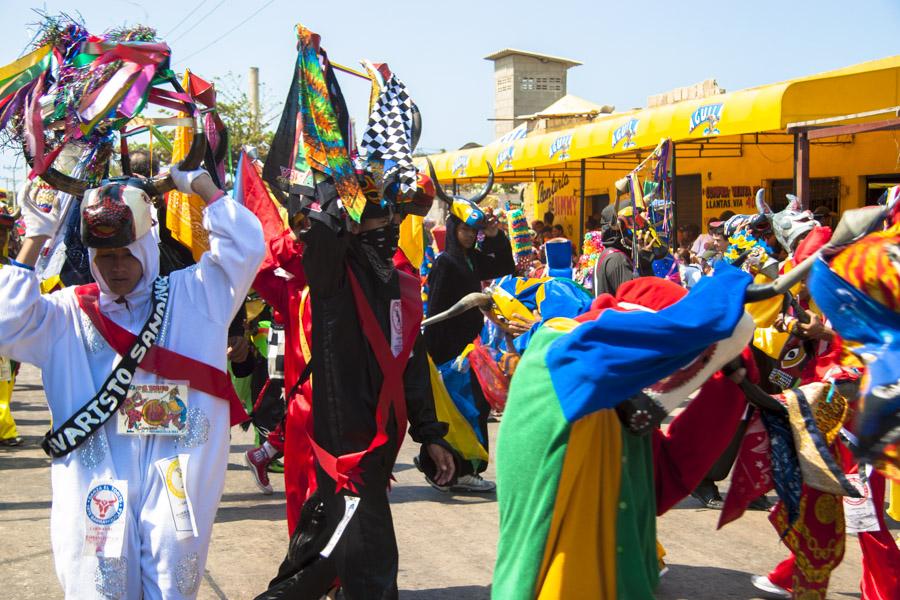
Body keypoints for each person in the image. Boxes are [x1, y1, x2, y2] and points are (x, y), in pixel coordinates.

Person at [0, 166, 264, 598]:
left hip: (176, 471)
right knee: (95, 578)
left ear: (147, 247)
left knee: (172, 571)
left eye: (128, 254)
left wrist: (199, 185)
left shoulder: (194, 295)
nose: (119, 268)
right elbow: (6, 321)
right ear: (91, 259)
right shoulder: (66, 313)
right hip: (95, 477)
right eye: (106, 258)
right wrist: (35, 237)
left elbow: (247, 247)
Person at [424, 204, 515, 492]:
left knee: (473, 408)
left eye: (472, 231)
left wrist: (495, 236)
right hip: (451, 352)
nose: (469, 235)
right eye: (464, 229)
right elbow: (437, 310)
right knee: (466, 411)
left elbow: (505, 267)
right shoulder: (445, 262)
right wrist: (437, 357)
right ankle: (461, 471)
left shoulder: (471, 258)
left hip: (471, 349)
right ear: (453, 229)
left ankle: (457, 469)